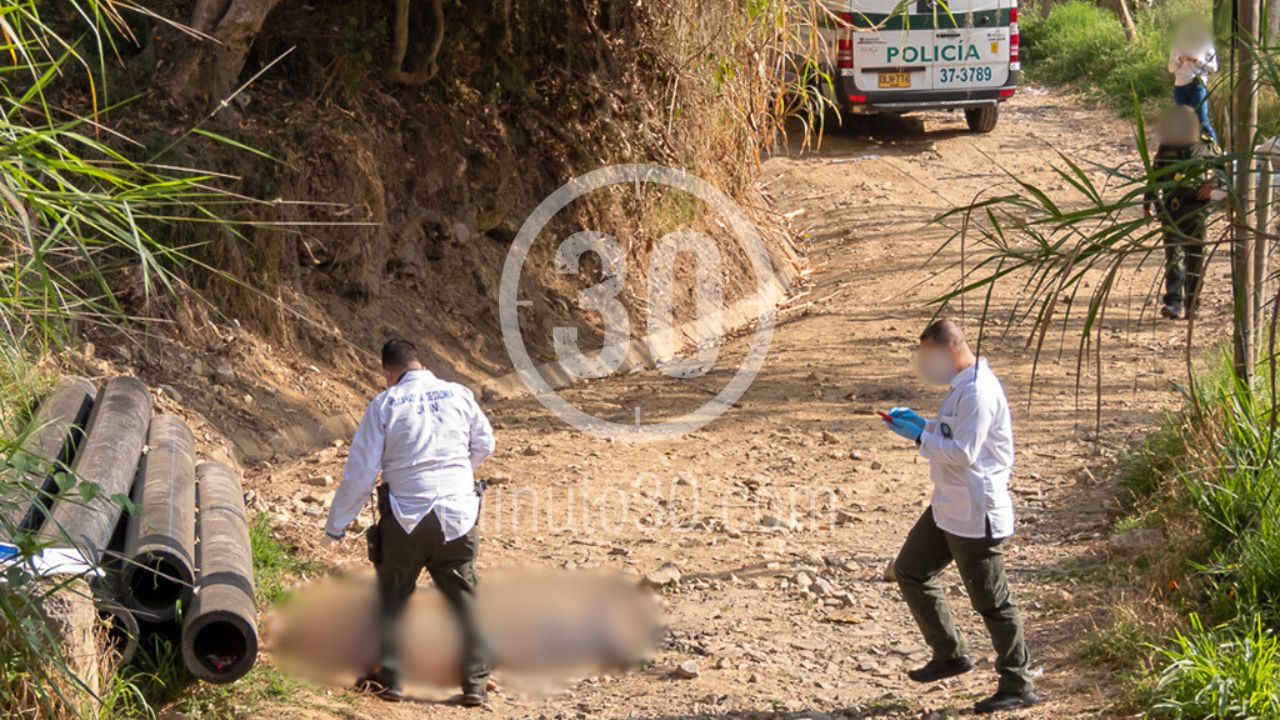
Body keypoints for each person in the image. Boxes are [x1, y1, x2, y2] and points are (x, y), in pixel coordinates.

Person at [323, 338, 496, 706]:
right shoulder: (458, 393)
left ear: (388, 372)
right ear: (419, 362)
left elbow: (361, 473)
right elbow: (485, 443)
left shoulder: (384, 404)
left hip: (405, 520)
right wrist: (458, 478)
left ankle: (392, 680)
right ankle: (475, 686)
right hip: (458, 516)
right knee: (465, 599)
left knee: (394, 598)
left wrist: (336, 525)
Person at [879, 319, 1038, 715]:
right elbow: (954, 433)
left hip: (975, 511)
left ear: (949, 351)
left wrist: (919, 437)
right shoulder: (962, 386)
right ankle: (949, 654)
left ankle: (1018, 684)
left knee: (992, 601)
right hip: (948, 504)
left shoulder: (980, 390)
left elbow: (965, 451)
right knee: (911, 570)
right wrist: (925, 424)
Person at [1144, 105, 1223, 321]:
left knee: (1195, 257)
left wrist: (1212, 185)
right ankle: (1173, 303)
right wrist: (1147, 203)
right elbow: (1155, 176)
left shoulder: (1207, 147)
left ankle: (1192, 303)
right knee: (1173, 258)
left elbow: (1222, 173)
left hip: (1196, 210)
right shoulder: (1167, 147)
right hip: (1171, 209)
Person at [1168, 18, 1218, 145]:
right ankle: (1189, 156)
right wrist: (1179, 60)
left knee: (1202, 120)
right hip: (1180, 87)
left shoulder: (1206, 45)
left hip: (1197, 84)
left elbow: (1214, 68)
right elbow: (1171, 69)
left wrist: (1197, 60)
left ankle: (1216, 153)